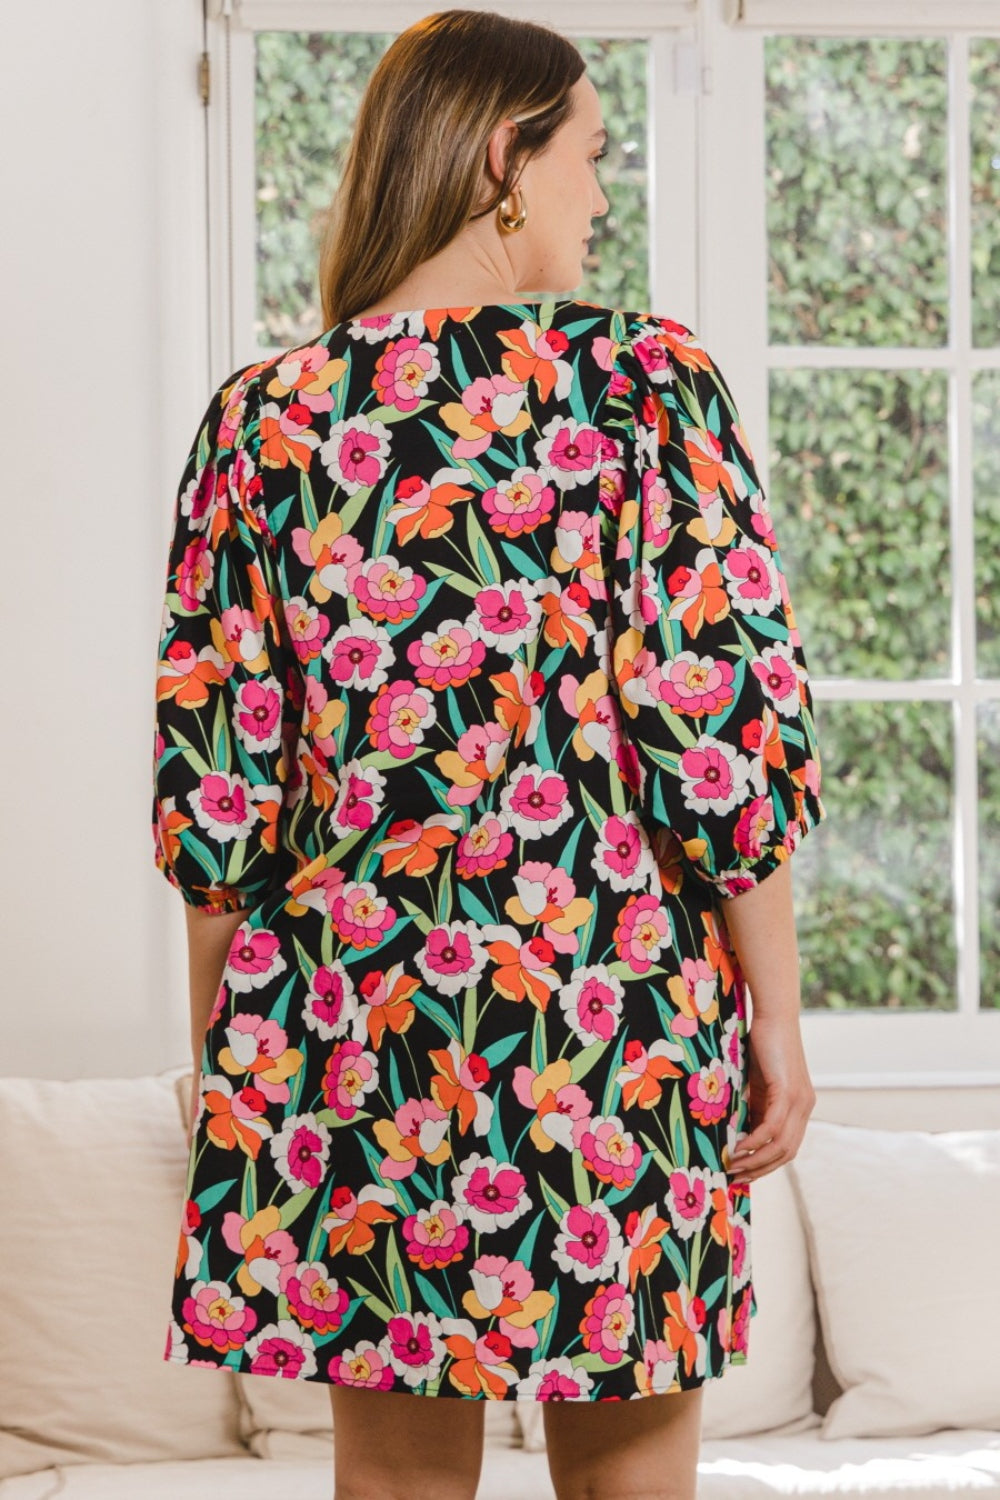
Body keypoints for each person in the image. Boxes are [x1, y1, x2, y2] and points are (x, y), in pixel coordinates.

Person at [150, 9, 826, 1499]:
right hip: (609, 1015)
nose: (602, 193)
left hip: (348, 1030)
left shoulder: (264, 422)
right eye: (590, 156)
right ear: (502, 161)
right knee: (629, 1480)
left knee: (392, 1487)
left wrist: (231, 1071)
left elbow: (219, 799)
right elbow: (717, 737)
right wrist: (776, 1016)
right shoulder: (645, 387)